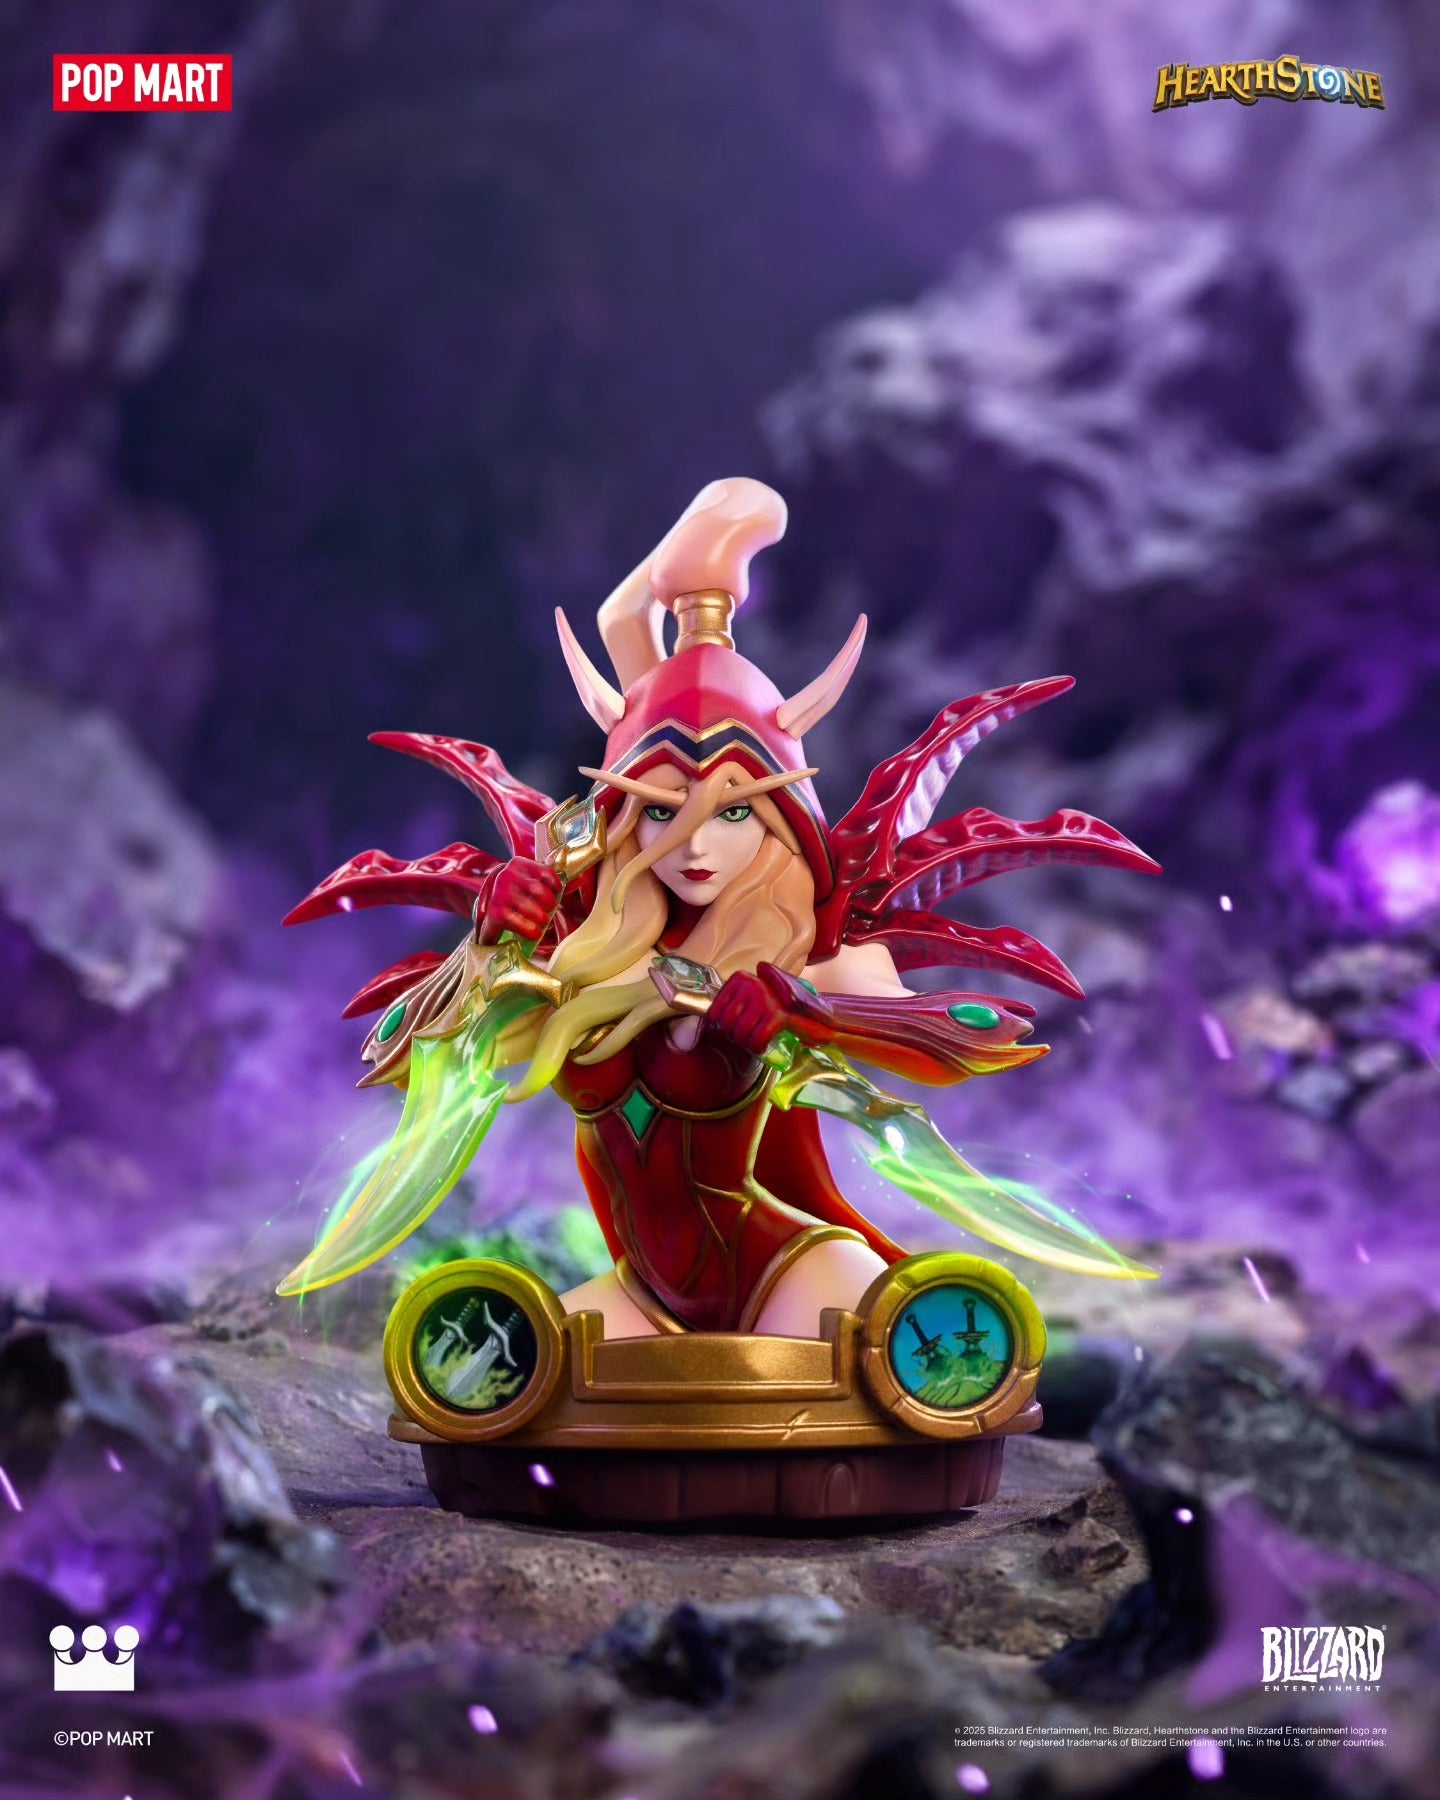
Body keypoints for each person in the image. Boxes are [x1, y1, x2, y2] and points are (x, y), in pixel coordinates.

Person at [284, 478, 1159, 1335]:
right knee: (495, 1377)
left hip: (793, 1272)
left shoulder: (809, 955)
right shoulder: (584, 951)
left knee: (869, 1370)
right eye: (662, 810)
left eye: (733, 811)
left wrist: (808, 1011)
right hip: (649, 1297)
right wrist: (483, 949)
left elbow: (982, 1031)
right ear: (622, 818)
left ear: (781, 823)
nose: (695, 845)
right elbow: (400, 1061)